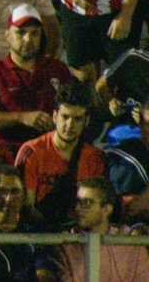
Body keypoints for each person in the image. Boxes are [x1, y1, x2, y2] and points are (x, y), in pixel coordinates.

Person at [0, 3, 73, 149]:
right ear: (7, 35)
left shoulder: (57, 69)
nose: (28, 39)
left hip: (52, 148)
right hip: (7, 150)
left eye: (35, 33)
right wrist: (22, 118)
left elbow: (73, 108)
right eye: (21, 32)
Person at [15, 82, 107, 230]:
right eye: (65, 117)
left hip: (80, 234)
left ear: (86, 121)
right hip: (39, 233)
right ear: (54, 116)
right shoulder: (32, 151)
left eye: (77, 119)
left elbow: (99, 209)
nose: (69, 125)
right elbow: (26, 207)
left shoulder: (96, 158)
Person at [48, 177, 149, 282]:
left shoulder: (131, 242)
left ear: (106, 209)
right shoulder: (66, 244)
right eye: (78, 202)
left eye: (86, 203)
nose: (78, 208)